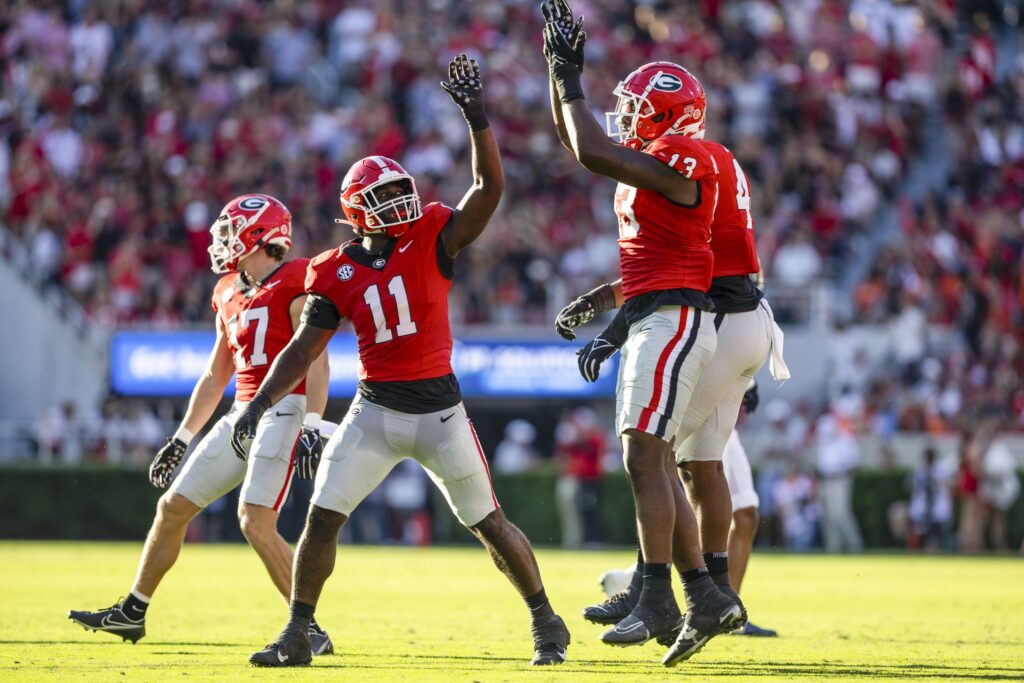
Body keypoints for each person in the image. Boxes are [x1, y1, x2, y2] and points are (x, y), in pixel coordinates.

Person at [232, 55, 570, 668]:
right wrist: (257, 403)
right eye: (384, 195)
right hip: (374, 412)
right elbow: (303, 348)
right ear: (357, 211)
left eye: (399, 189)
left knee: (489, 523)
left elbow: (489, 190)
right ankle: (297, 633)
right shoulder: (333, 270)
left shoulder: (434, 234)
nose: (400, 200)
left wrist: (477, 120)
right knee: (322, 519)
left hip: (441, 412)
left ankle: (547, 621)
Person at [539, 0, 748, 664]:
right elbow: (581, 145)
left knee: (645, 455)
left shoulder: (687, 158)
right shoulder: (657, 161)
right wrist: (555, 71)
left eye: (638, 108)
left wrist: (571, 78)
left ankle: (663, 590)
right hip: (656, 313)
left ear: (669, 115)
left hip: (677, 318)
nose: (625, 117)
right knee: (648, 457)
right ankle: (697, 595)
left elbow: (593, 149)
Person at [68, 194, 333, 655]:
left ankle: (308, 628)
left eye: (232, 231)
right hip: (242, 411)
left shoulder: (295, 281)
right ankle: (133, 610)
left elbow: (315, 359)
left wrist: (312, 422)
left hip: (284, 408)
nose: (223, 241)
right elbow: (216, 374)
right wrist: (181, 437)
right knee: (172, 508)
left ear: (260, 235)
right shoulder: (229, 290)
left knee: (254, 521)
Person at [595, 386, 778, 637]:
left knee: (744, 513)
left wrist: (749, 381)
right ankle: (645, 581)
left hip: (721, 396)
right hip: (697, 395)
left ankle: (724, 607)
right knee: (687, 496)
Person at [554, 407, 606, 548]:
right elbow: (564, 452)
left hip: (591, 479)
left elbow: (592, 451)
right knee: (578, 511)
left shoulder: (595, 438)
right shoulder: (575, 438)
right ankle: (578, 540)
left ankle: (593, 540)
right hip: (579, 479)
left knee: (590, 509)